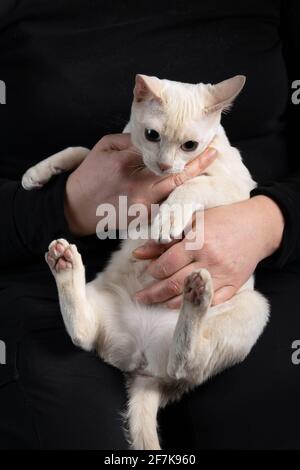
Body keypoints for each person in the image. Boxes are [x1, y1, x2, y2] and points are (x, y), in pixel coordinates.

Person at [0, 0, 299, 450]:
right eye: (153, 138)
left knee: (261, 368)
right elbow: (104, 162)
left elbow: (216, 186)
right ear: (139, 97)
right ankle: (82, 305)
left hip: (246, 274)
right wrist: (62, 203)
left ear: (218, 116)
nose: (165, 162)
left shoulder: (216, 147)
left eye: (187, 147)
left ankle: (187, 334)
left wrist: (272, 218)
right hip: (99, 279)